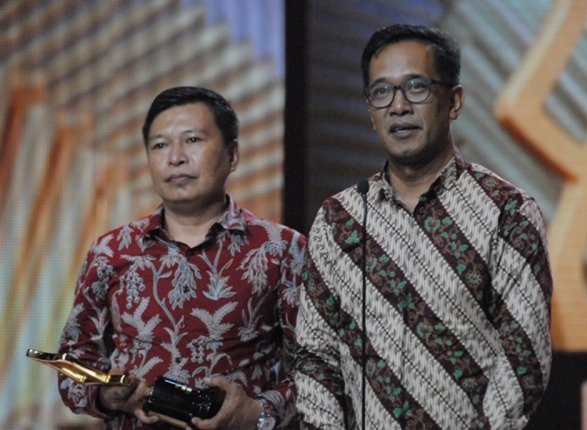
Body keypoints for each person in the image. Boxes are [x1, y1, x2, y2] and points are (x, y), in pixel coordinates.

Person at [294, 24, 553, 429]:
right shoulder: (338, 221)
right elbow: (316, 357)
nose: (398, 106)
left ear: (454, 101)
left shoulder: (508, 213)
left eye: (416, 87)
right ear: (370, 111)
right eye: (382, 91)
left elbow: (523, 360)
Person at [57, 86, 306, 430]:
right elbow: (73, 362)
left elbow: (317, 370)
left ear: (233, 155)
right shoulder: (111, 251)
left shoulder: (282, 249)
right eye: (160, 145)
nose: (175, 158)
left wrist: (257, 411)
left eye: (192, 140)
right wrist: (105, 395)